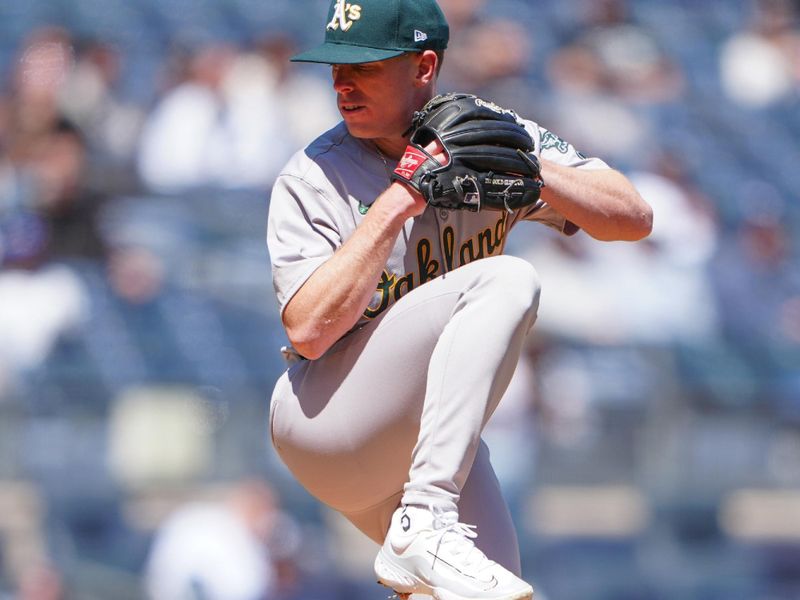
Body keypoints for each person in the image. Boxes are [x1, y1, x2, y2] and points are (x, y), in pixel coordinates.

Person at [266, 0, 652, 598]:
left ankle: (424, 527)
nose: (342, 83)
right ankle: (424, 520)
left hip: (428, 449)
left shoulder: (491, 130)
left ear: (423, 66)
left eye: (363, 66)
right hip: (326, 418)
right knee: (506, 279)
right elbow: (308, 331)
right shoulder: (313, 174)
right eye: (334, 67)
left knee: (495, 592)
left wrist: (528, 166)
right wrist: (400, 197)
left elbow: (631, 217)